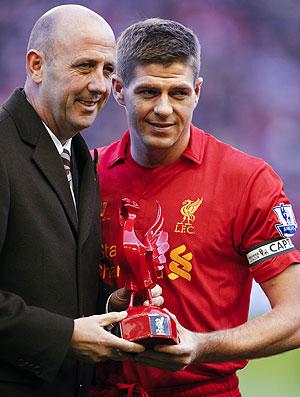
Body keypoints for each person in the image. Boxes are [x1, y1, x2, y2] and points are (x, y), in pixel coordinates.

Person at [90, 18, 300, 397]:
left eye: (180, 94)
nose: (164, 109)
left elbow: (296, 315)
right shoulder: (87, 175)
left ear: (198, 91)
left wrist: (201, 346)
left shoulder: (247, 181)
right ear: (119, 90)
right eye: (149, 92)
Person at [0, 5, 152, 397]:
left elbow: (49, 281)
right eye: (84, 66)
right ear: (36, 65)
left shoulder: (79, 155)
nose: (100, 85)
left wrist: (108, 303)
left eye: (107, 70)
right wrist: (66, 335)